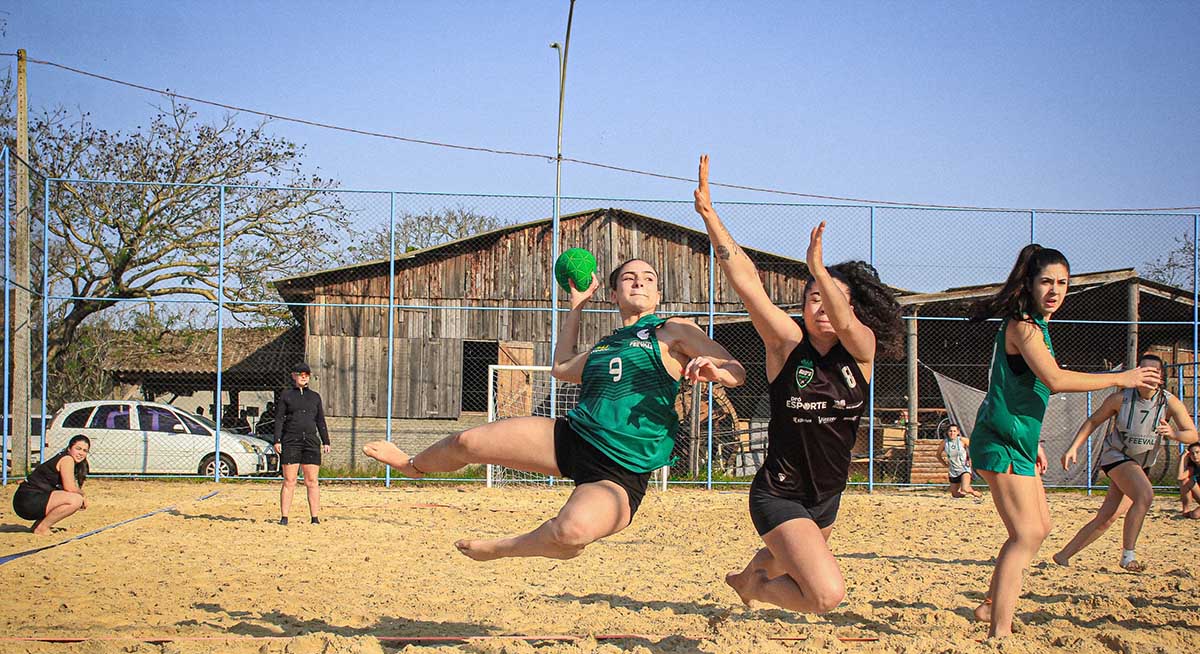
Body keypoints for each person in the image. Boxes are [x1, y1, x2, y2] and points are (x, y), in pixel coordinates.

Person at [362, 257, 746, 561]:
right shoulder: (607, 346)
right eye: (629, 277)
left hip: (623, 468)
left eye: (647, 277)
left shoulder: (673, 330)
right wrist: (576, 306)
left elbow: (737, 369)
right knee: (468, 441)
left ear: (658, 295)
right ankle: (411, 466)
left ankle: (502, 549)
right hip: (573, 437)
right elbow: (561, 369)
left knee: (570, 533)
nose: (639, 281)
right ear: (613, 294)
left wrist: (717, 372)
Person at [693, 154, 904, 614]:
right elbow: (747, 280)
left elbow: (847, 323)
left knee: (790, 563)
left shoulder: (860, 351)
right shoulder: (787, 345)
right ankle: (756, 589)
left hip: (827, 495)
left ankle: (749, 576)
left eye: (830, 297)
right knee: (825, 595)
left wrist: (824, 274)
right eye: (813, 296)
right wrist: (711, 217)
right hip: (779, 492)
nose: (821, 306)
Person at [967, 244, 1160, 637]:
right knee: (1026, 534)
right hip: (1000, 439)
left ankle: (992, 605)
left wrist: (1034, 439)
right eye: (1046, 282)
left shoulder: (1039, 325)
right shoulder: (1023, 325)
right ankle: (999, 630)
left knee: (1041, 526)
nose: (1055, 290)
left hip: (1018, 439)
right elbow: (1055, 380)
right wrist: (1121, 378)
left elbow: (1030, 386)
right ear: (1029, 284)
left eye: (1062, 283)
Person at [1053, 354, 1198, 571]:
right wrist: (1073, 447)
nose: (1148, 375)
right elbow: (1093, 421)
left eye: (1154, 371)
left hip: (1141, 464)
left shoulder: (1169, 402)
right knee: (1145, 495)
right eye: (1144, 369)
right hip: (1117, 457)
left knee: (1107, 517)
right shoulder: (1120, 399)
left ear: (1161, 377)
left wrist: (1174, 434)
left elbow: (1192, 435)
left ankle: (1063, 555)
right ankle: (1128, 557)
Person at [273, 362, 330, 525]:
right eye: (300, 374)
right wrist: (277, 440)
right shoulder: (286, 395)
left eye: (306, 374)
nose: (303, 377)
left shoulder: (315, 397)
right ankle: (284, 517)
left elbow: (320, 420)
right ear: (294, 376)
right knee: (289, 480)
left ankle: (314, 517)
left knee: (312, 481)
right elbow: (279, 419)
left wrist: (326, 440)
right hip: (291, 440)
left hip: (311, 441)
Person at [12, 434, 91, 534]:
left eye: (85, 451)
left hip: (25, 499)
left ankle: (38, 525)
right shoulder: (67, 459)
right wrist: (83, 496)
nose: (81, 453)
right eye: (78, 449)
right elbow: (70, 488)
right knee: (75, 500)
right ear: (69, 448)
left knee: (70, 497)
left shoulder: (66, 459)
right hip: (27, 500)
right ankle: (42, 528)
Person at [938, 423, 981, 498]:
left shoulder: (962, 440)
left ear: (958, 432)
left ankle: (973, 492)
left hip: (964, 468)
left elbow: (975, 449)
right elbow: (938, 455)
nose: (952, 433)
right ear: (947, 432)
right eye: (950, 431)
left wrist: (971, 459)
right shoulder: (945, 442)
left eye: (954, 431)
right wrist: (944, 464)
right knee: (955, 495)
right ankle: (964, 493)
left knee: (965, 488)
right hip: (953, 470)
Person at [1178, 441, 1200, 519]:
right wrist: (1182, 457)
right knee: (1185, 481)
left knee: (1195, 515)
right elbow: (1180, 477)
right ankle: (1186, 509)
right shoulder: (1193, 468)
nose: (1195, 455)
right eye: (1192, 453)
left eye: (1197, 452)